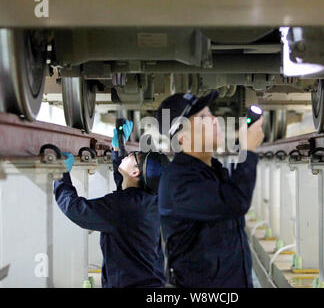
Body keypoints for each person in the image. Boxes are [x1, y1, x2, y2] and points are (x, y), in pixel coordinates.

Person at [156, 92, 264, 288]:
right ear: (181, 138)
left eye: (211, 114)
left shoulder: (212, 170)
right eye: (203, 118)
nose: (215, 119)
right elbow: (235, 201)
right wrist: (247, 152)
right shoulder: (177, 182)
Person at [53, 120, 167, 288]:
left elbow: (76, 209)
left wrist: (61, 175)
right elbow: (125, 182)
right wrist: (118, 148)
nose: (129, 154)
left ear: (136, 172)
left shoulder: (126, 206)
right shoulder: (148, 199)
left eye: (132, 155)